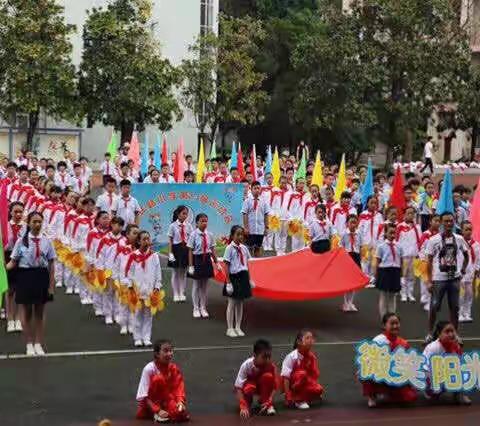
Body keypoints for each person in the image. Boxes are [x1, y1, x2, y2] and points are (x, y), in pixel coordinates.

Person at [7, 211, 56, 356]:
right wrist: (3, 269)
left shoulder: (47, 241)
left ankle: (39, 343)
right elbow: (13, 261)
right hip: (25, 276)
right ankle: (29, 343)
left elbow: (52, 264)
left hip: (41, 276)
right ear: (28, 223)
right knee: (27, 312)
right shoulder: (21, 241)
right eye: (34, 221)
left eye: (40, 221)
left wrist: (51, 285)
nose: (37, 224)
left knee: (39, 313)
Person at [424, 212, 469, 343]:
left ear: (454, 221)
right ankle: (430, 333)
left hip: (454, 279)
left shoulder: (459, 239)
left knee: (454, 308)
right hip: (439, 279)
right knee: (434, 306)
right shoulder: (433, 240)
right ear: (441, 223)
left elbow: (466, 255)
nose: (449, 224)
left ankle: (454, 334)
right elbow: (429, 261)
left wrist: (463, 269)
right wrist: (428, 281)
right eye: (446, 221)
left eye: (451, 221)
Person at [361, 313, 417, 408]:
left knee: (409, 397)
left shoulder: (403, 343)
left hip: (395, 374)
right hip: (380, 372)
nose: (395, 326)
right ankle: (372, 395)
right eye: (392, 324)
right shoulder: (378, 341)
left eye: (397, 323)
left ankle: (389, 392)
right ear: (384, 325)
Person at [136, 339, 190, 423]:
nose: (169, 354)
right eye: (165, 351)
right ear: (157, 354)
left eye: (170, 351)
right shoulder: (149, 369)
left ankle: (169, 411)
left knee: (181, 415)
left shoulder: (173, 368)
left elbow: (178, 388)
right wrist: (157, 410)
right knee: (158, 379)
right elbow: (143, 395)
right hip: (149, 405)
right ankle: (155, 414)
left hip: (167, 400)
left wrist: (180, 402)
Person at [125, 231, 162, 347]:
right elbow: (128, 273)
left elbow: (158, 273)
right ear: (139, 241)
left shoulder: (154, 256)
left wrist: (157, 287)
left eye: (148, 239)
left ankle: (146, 337)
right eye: (144, 239)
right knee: (137, 314)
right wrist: (130, 286)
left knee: (148, 315)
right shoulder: (133, 256)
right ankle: (137, 337)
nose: (147, 241)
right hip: (137, 291)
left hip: (150, 291)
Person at [423, 321, 471, 405]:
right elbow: (424, 369)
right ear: (439, 333)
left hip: (446, 375)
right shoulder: (433, 348)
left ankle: (460, 393)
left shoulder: (456, 346)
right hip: (433, 377)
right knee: (434, 394)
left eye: (452, 331)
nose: (451, 334)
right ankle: (431, 392)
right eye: (447, 331)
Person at [187, 214, 220, 318]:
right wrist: (191, 266)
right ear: (197, 223)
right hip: (197, 259)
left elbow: (213, 250)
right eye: (202, 221)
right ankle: (196, 308)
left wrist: (216, 262)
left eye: (206, 221)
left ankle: (203, 307)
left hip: (207, 261)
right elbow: (190, 251)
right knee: (196, 286)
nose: (204, 223)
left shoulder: (210, 234)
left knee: (204, 286)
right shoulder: (193, 235)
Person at [281, 329, 323, 410]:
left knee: (318, 390)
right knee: (302, 374)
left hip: (303, 381)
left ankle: (302, 395)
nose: (311, 340)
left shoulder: (312, 357)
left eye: (312, 338)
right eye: (307, 338)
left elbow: (314, 376)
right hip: (292, 383)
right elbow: (285, 378)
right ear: (299, 342)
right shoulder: (292, 357)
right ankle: (298, 400)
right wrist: (287, 395)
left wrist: (313, 388)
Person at [235, 339, 277, 418]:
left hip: (263, 387)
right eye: (264, 357)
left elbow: (275, 387)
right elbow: (238, 387)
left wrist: (270, 400)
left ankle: (265, 402)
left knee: (268, 377)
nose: (267, 360)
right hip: (251, 386)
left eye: (269, 357)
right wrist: (242, 404)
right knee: (249, 387)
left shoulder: (271, 366)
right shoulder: (246, 365)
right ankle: (247, 404)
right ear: (254, 355)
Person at [223, 225, 253, 338]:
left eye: (242, 234)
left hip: (243, 276)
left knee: (240, 303)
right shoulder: (229, 248)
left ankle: (238, 327)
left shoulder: (244, 248)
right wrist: (228, 282)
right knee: (232, 303)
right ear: (232, 236)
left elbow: (247, 264)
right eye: (238, 234)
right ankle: (230, 328)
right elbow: (226, 265)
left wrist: (249, 279)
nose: (240, 236)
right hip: (234, 277)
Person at [96, 216, 126, 325]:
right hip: (107, 270)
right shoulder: (105, 239)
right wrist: (100, 270)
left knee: (117, 293)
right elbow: (100, 255)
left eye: (120, 225)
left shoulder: (124, 240)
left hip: (119, 271)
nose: (118, 227)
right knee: (107, 292)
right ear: (112, 225)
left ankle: (117, 314)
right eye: (116, 224)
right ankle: (108, 314)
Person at [4, 202, 26, 333]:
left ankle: (18, 318)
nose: (18, 214)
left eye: (20, 212)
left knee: (19, 289)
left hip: (22, 259)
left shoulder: (25, 227)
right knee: (10, 290)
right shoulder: (5, 226)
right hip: (7, 256)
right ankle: (10, 319)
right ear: (10, 212)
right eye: (15, 212)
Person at [375, 224, 402, 318]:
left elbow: (401, 260)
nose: (392, 235)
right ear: (385, 233)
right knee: (383, 296)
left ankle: (391, 318)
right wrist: (376, 275)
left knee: (392, 296)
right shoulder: (381, 246)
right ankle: (383, 319)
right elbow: (377, 261)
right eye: (390, 232)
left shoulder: (399, 246)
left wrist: (401, 274)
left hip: (395, 271)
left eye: (394, 233)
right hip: (384, 271)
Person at [167, 206, 193, 302]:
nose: (185, 216)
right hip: (176, 249)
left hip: (185, 250)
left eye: (186, 214)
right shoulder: (172, 226)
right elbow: (170, 240)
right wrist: (170, 253)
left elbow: (191, 240)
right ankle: (175, 293)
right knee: (175, 273)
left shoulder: (189, 226)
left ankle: (182, 292)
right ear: (178, 214)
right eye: (183, 213)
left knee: (183, 273)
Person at [117, 224, 139, 335]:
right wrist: (120, 279)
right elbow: (118, 264)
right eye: (134, 233)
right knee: (124, 304)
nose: (136, 236)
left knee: (134, 304)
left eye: (137, 233)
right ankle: (123, 324)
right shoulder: (123, 249)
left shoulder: (141, 250)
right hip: (124, 281)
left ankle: (131, 324)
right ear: (127, 235)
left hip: (137, 282)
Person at [396, 206, 422, 303]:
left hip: (413, 255)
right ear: (404, 215)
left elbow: (419, 241)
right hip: (404, 255)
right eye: (408, 213)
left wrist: (419, 253)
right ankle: (403, 293)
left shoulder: (417, 227)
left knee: (411, 276)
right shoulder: (400, 226)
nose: (411, 215)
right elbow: (397, 241)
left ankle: (410, 293)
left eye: (412, 213)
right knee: (403, 274)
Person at [359, 196, 384, 287]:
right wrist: (361, 242)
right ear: (367, 203)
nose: (373, 205)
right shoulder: (363, 214)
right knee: (365, 261)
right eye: (371, 203)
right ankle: (365, 278)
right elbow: (360, 229)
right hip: (365, 242)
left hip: (376, 242)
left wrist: (380, 243)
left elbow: (382, 230)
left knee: (374, 261)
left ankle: (373, 278)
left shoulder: (379, 216)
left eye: (375, 203)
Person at [241, 181, 271, 257]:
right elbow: (245, 214)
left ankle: (257, 264)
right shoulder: (247, 201)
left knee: (258, 247)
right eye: (255, 188)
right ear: (251, 189)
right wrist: (246, 227)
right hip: (250, 229)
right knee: (249, 248)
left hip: (260, 229)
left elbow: (266, 214)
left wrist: (266, 228)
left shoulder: (264, 201)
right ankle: (249, 264)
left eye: (258, 188)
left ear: (260, 189)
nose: (257, 190)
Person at [418, 215, 441, 312]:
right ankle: (426, 299)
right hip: (426, 260)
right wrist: (423, 259)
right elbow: (421, 247)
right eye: (435, 221)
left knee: (434, 281)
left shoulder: (440, 235)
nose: (437, 223)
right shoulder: (426, 234)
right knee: (425, 281)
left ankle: (431, 299)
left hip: (435, 262)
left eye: (439, 221)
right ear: (430, 222)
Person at [340, 214, 362, 312]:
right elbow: (341, 247)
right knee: (347, 281)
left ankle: (351, 302)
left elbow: (360, 246)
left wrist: (361, 258)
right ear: (347, 224)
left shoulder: (359, 234)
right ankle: (345, 303)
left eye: (355, 222)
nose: (353, 225)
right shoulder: (344, 234)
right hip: (347, 256)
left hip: (356, 256)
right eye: (351, 222)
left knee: (354, 282)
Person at [459, 221, 479, 323]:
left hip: (471, 274)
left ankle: (467, 313)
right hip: (461, 274)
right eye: (466, 229)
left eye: (470, 229)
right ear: (462, 230)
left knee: (469, 294)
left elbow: (478, 259)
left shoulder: (476, 245)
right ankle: (460, 313)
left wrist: (477, 271)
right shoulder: (459, 243)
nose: (468, 231)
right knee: (461, 295)